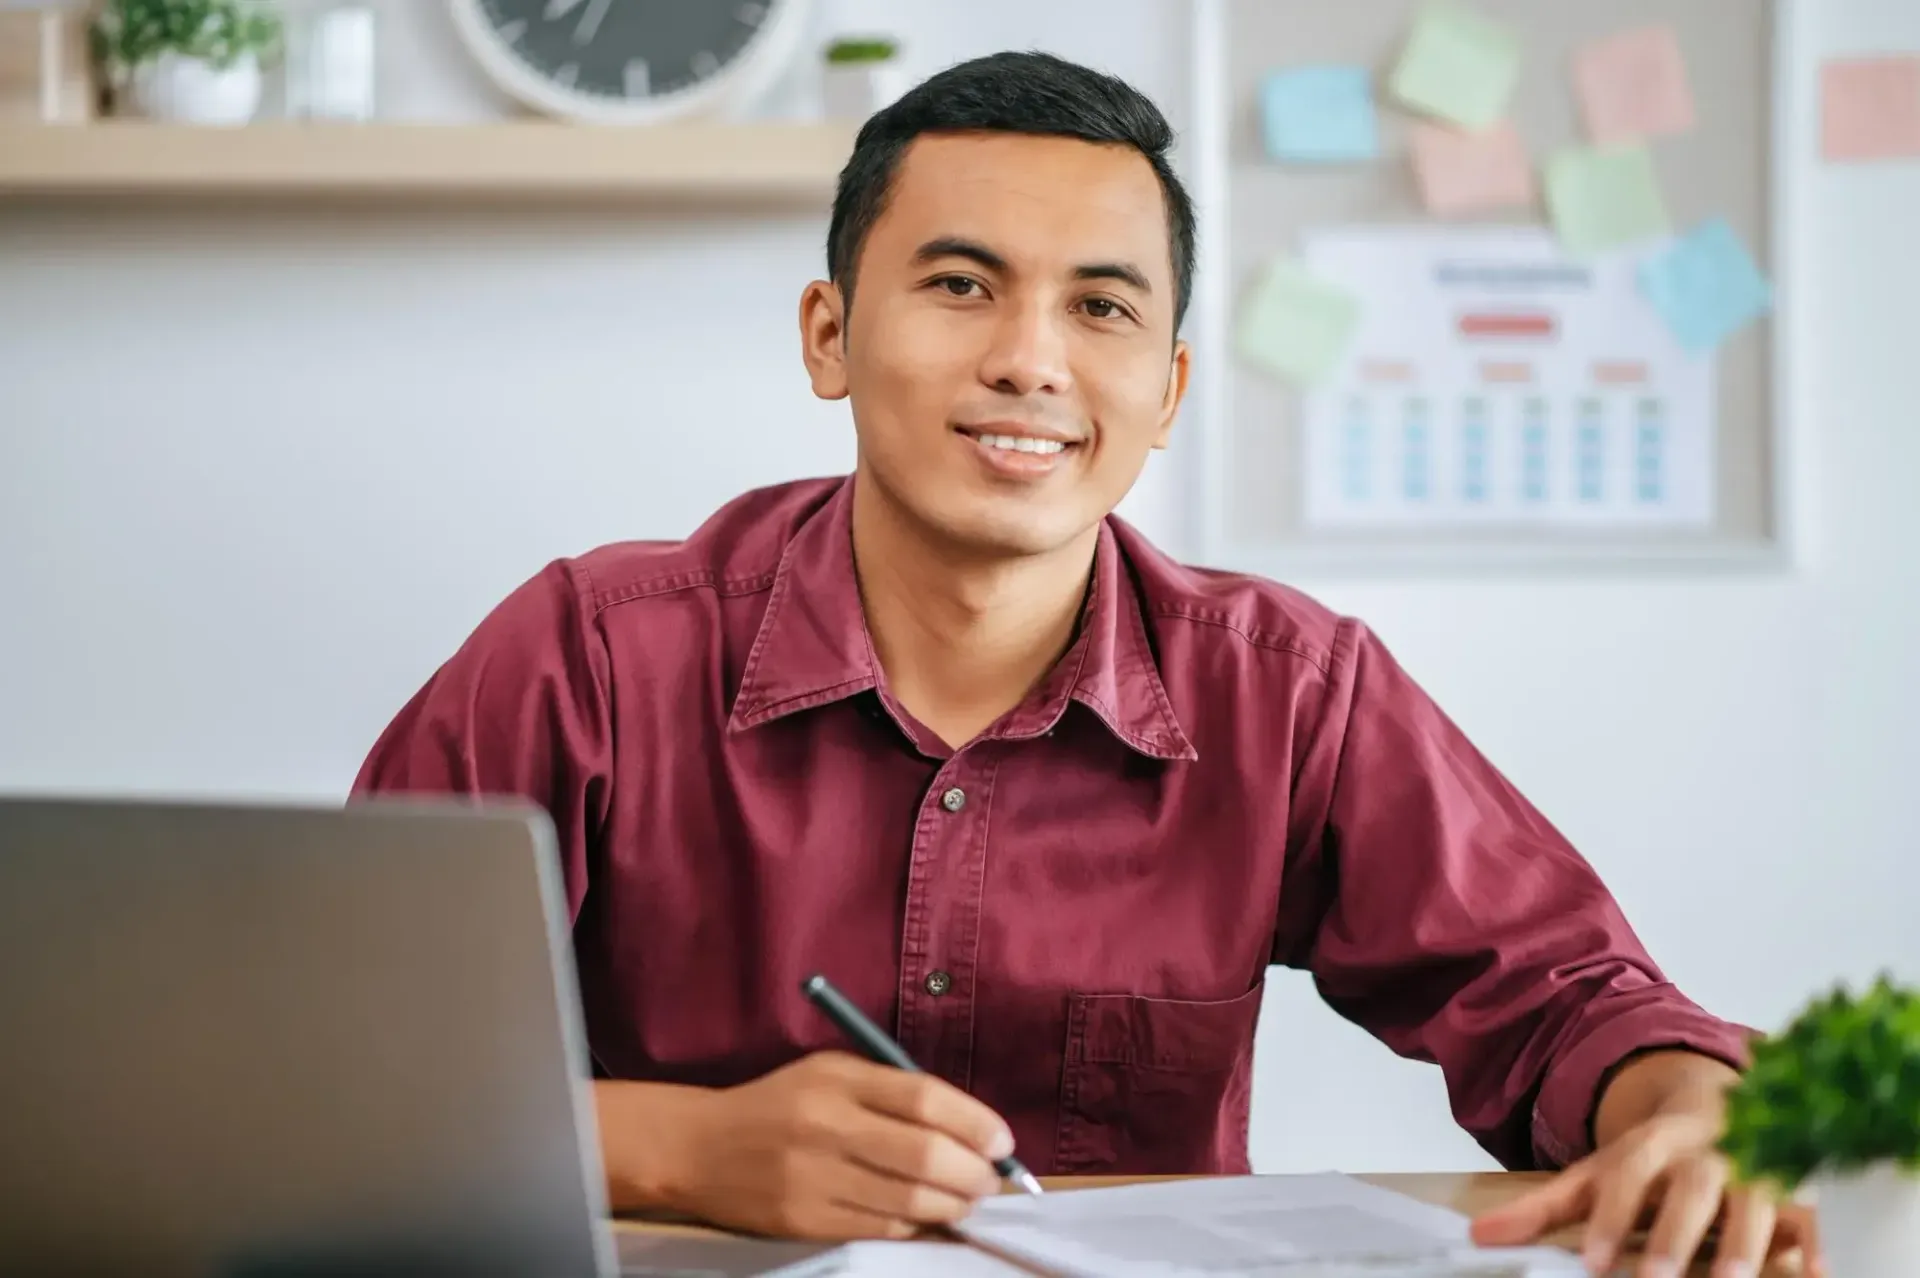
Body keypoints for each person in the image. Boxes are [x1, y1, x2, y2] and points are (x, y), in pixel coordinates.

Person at [354, 50, 1814, 1278]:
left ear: (1166, 388)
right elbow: (335, 1063)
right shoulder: (589, 653)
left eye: (1102, 307)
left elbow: (1569, 996)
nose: (1031, 362)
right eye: (960, 285)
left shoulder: (1287, 690)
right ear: (830, 335)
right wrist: (686, 1150)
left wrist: (1680, 1107)